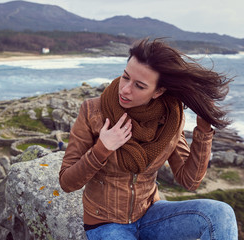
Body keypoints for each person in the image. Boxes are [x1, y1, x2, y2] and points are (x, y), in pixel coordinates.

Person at [59, 38, 238, 240]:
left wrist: (204, 130)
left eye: (140, 86)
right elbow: (66, 182)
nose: (125, 89)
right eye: (125, 77)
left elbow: (190, 181)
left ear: (158, 91)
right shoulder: (93, 111)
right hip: (106, 223)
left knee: (220, 214)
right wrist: (102, 148)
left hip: (151, 215)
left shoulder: (171, 119)